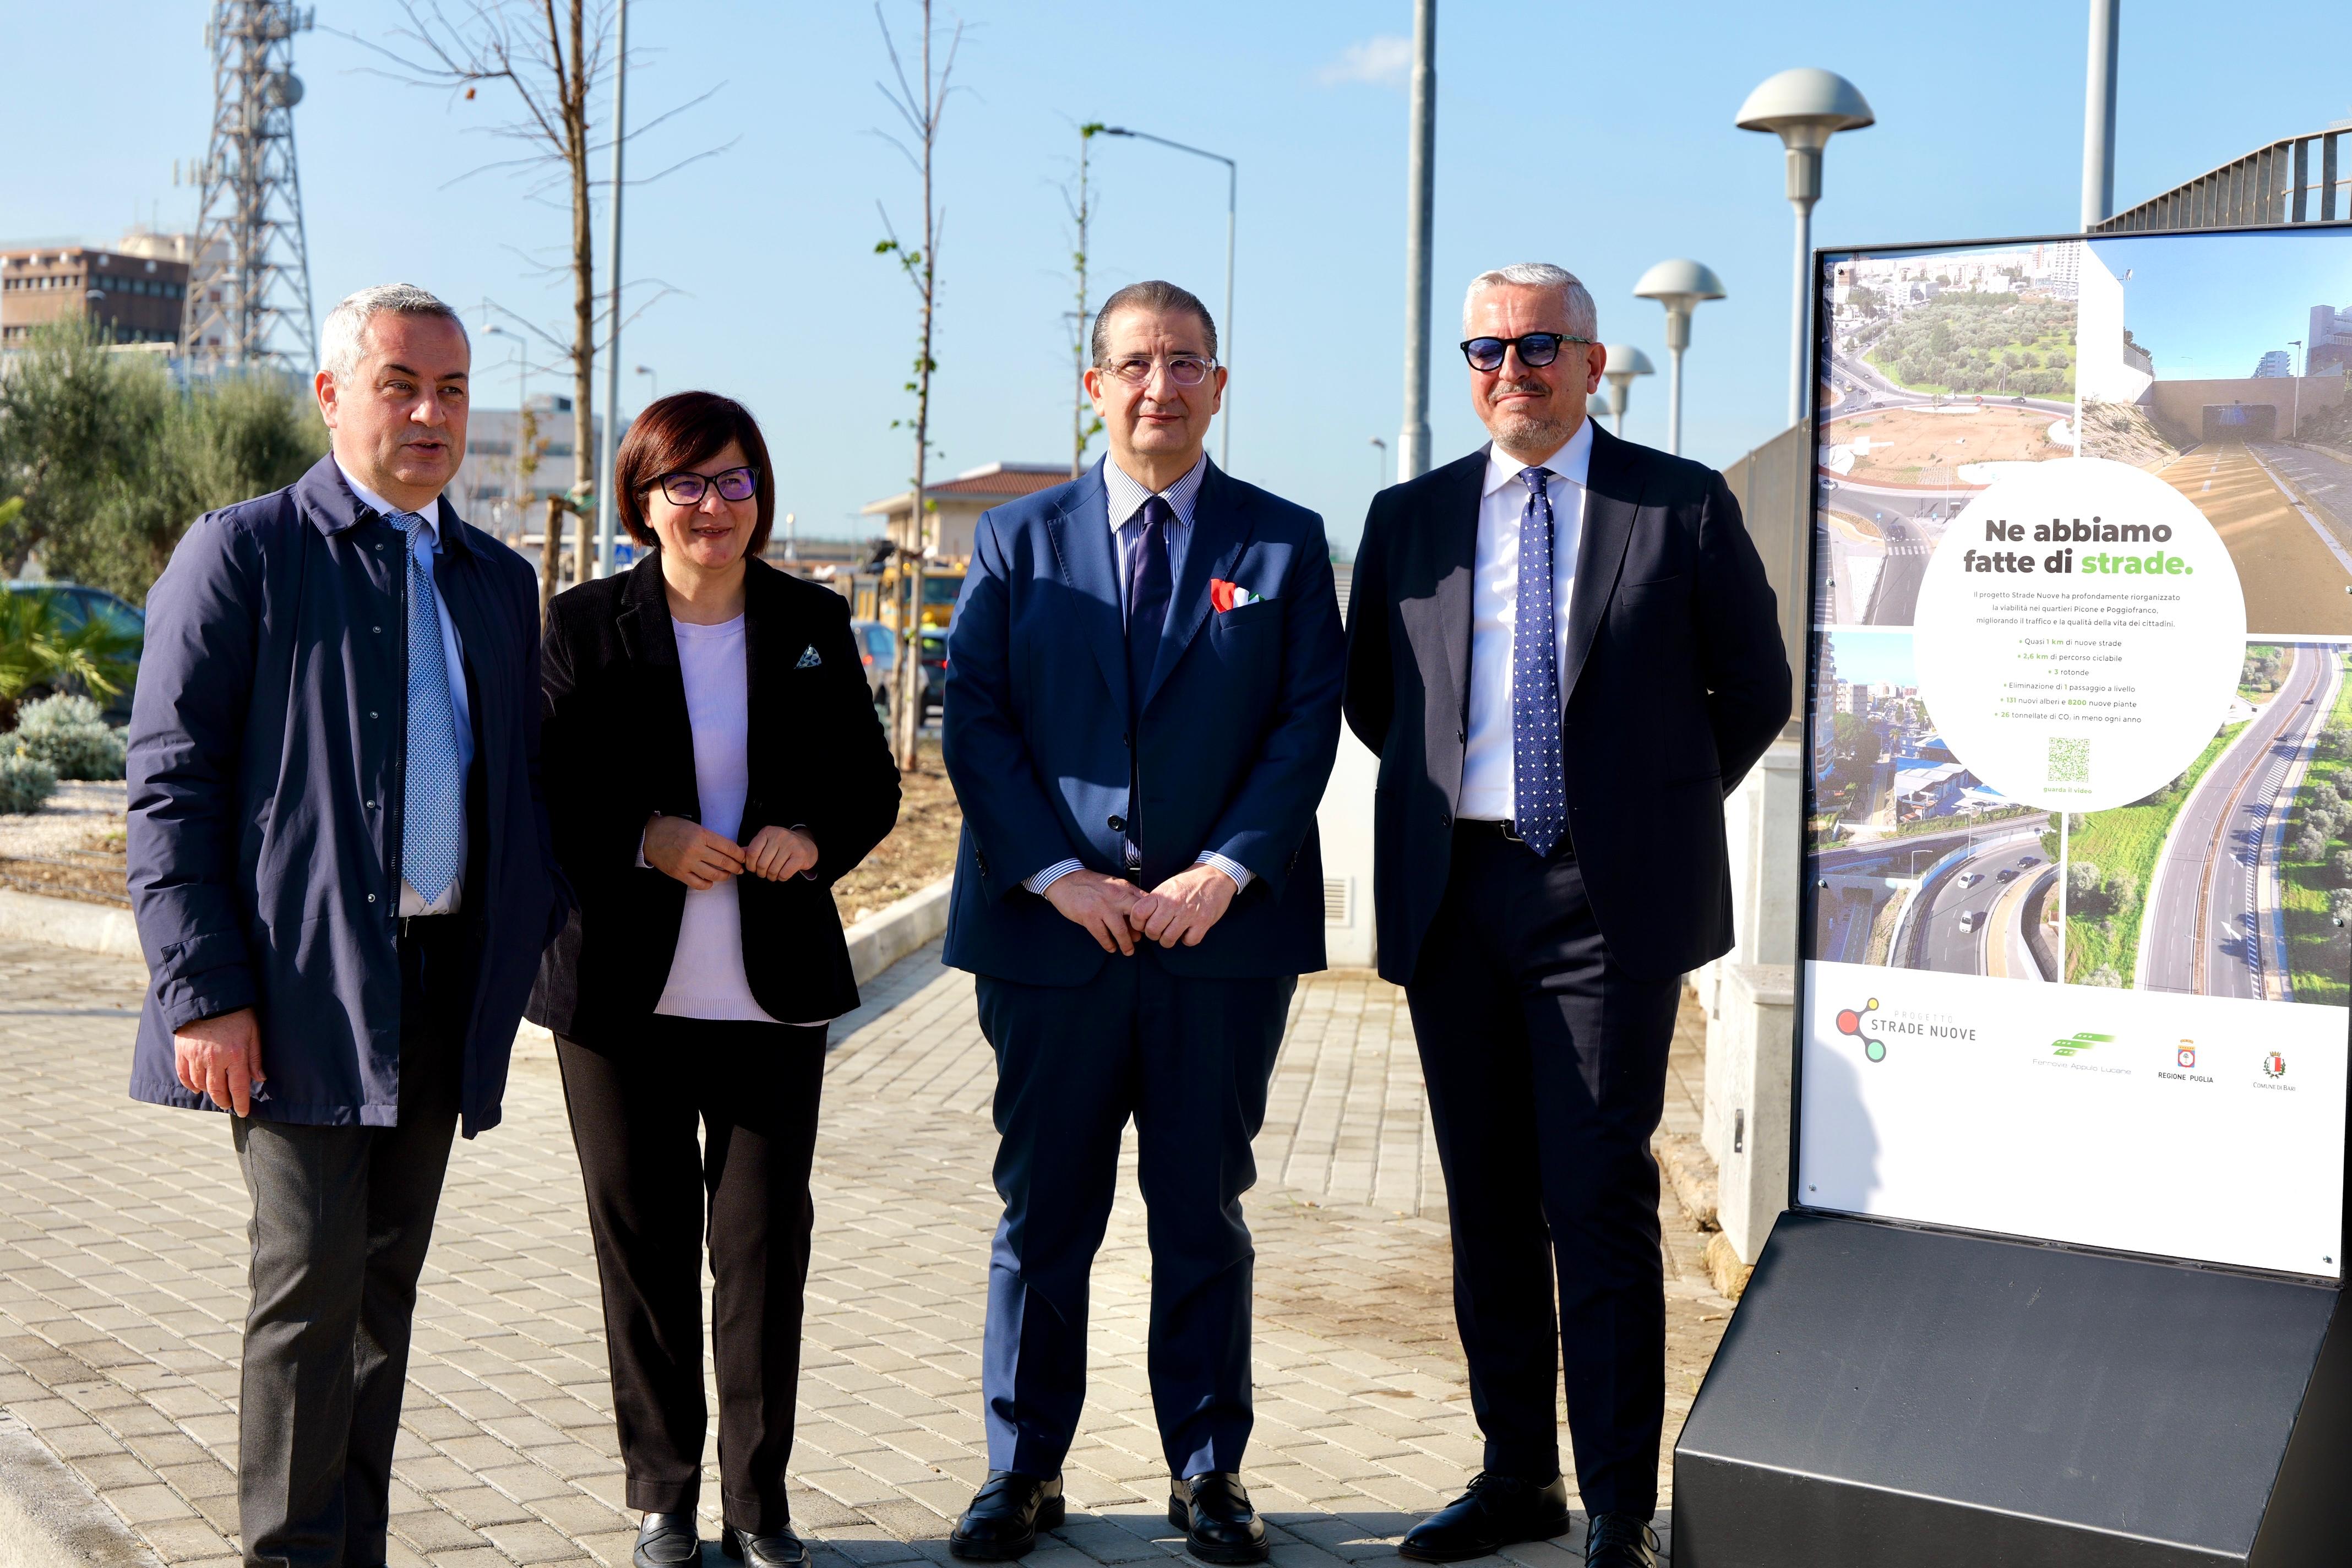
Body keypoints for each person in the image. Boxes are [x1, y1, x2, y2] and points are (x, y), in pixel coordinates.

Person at [1342, 264, 1790, 1568]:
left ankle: (1614, 1503)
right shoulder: (1410, 516)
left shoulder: (1678, 504)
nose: (1511, 369)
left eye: (1540, 343)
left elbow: (1751, 687)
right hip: (1454, 892)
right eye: (1486, 348)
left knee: (1595, 1193)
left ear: (1593, 362)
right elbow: (1383, 696)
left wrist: (1635, 807)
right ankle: (1514, 1476)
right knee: (1485, 1200)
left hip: (1606, 902)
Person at [125, 283, 567, 1568]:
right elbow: (170, 782)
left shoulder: (495, 578)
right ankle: (289, 1554)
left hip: (441, 984)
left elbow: (518, 786)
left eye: (451, 390)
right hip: (296, 989)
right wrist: (201, 988)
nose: (430, 414)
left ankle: (345, 1547)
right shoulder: (245, 552)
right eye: (399, 385)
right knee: (307, 1284)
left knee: (382, 1289)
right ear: (332, 396)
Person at [939, 280, 1343, 1564]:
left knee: (1201, 1208)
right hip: (1051, 937)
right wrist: (1061, 875)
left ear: (1220, 386)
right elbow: (978, 719)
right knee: (1041, 1209)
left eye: (1185, 363)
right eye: (1135, 363)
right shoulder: (1017, 540)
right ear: (1093, 384)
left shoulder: (1283, 544)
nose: (1158, 385)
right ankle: (1022, 1468)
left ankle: (1211, 1469)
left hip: (1216, 944)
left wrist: (1225, 869)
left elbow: (1302, 725)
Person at [528, 392, 899, 1568]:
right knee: (637, 1244)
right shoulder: (582, 625)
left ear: (761, 495)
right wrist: (647, 837)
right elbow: (546, 789)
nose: (712, 505)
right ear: (642, 497)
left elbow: (870, 783)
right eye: (685, 483)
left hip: (769, 994)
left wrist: (808, 834)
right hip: (618, 1001)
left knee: (761, 1245)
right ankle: (663, 1493)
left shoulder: (812, 620)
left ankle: (758, 1500)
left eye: (734, 481)